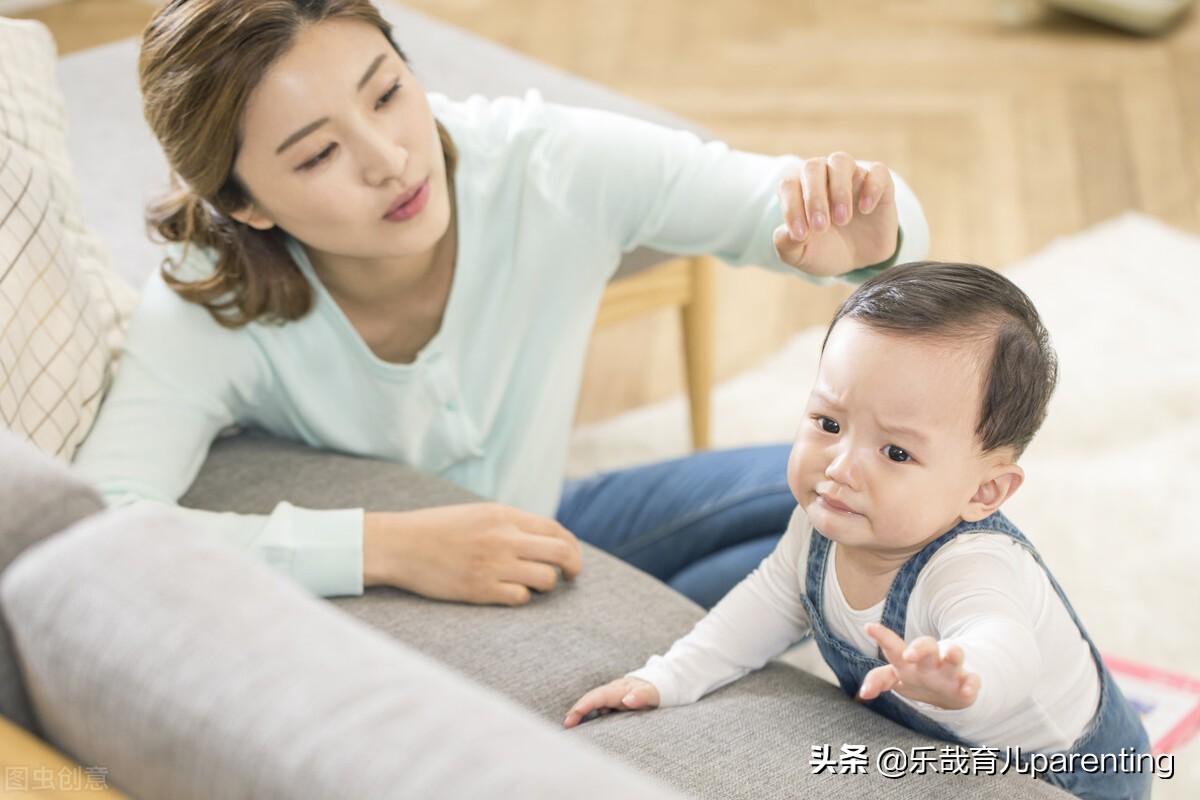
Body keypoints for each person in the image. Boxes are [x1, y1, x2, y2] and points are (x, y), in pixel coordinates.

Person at [73, 0, 929, 607]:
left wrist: (868, 240)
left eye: (386, 92)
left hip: (551, 528)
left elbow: (783, 204)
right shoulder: (207, 300)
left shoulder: (547, 167)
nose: (390, 159)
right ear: (246, 205)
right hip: (427, 605)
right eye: (317, 154)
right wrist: (388, 548)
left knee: (893, 518)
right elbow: (99, 527)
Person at [564, 262, 1151, 800]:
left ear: (982, 492)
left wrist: (961, 675)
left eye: (895, 451)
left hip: (1069, 775)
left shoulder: (971, 568)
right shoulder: (821, 524)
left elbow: (1006, 644)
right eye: (828, 422)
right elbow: (764, 605)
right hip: (941, 747)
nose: (840, 467)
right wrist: (666, 678)